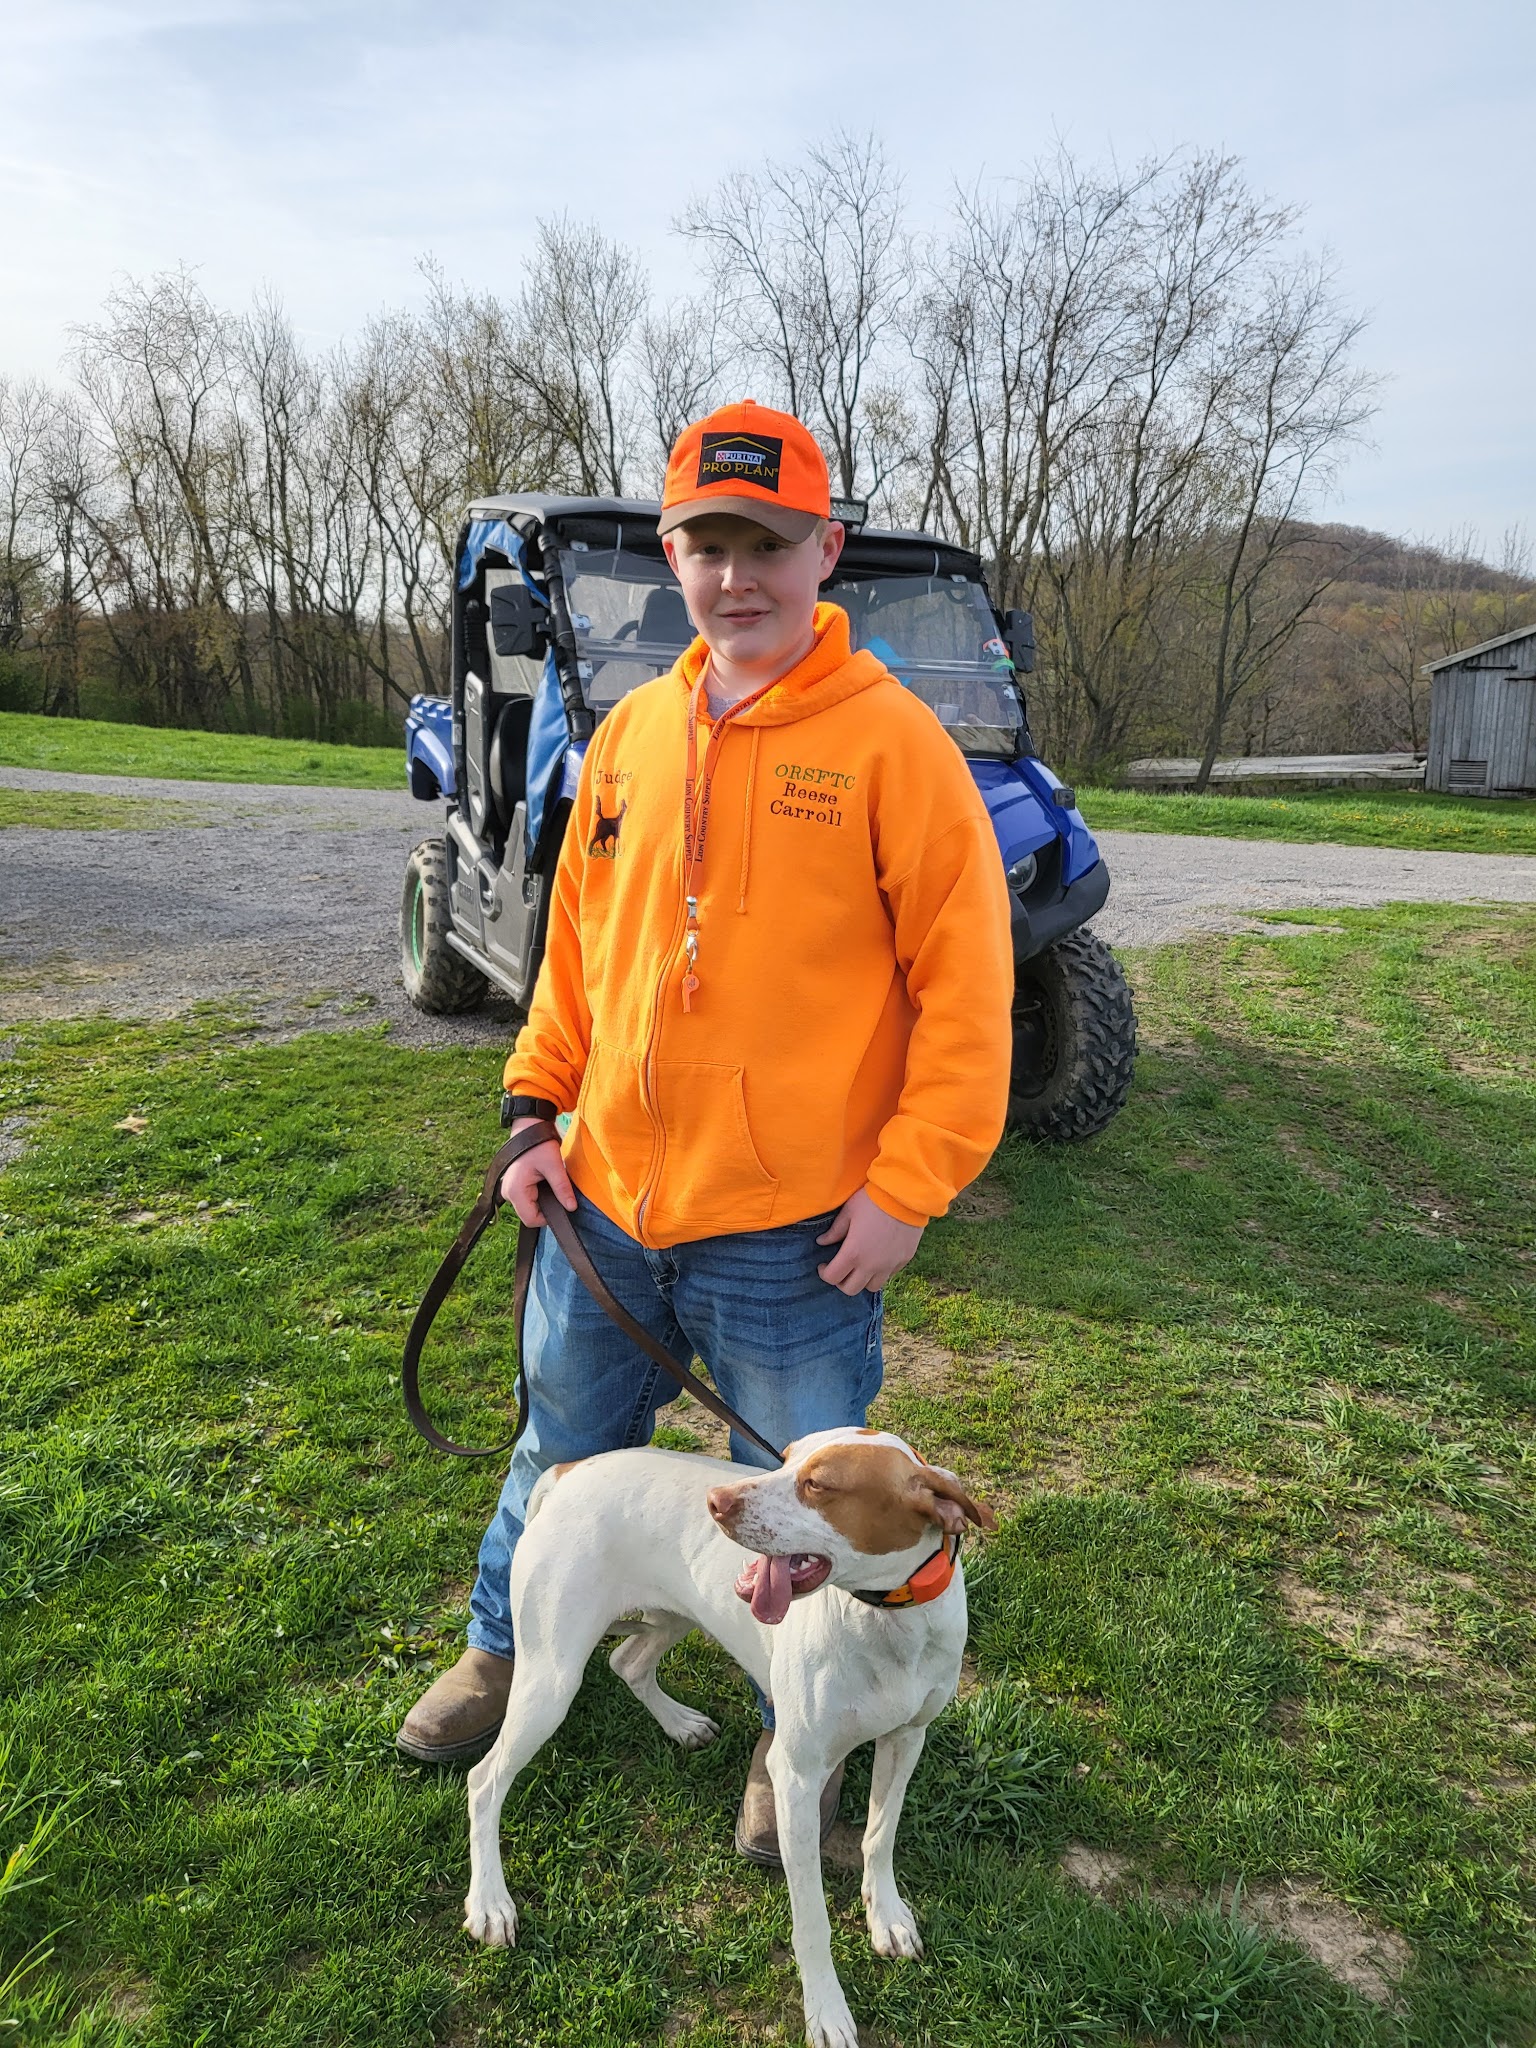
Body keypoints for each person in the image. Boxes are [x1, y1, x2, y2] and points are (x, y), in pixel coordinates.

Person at [397, 398, 1014, 1863]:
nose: (740, 575)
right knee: (561, 1451)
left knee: (805, 1505)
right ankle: (502, 1645)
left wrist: (909, 1186)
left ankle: (792, 1729)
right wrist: (534, 1110)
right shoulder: (629, 740)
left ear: (826, 549)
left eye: (770, 543)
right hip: (601, 1208)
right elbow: (575, 961)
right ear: (669, 554)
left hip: (793, 1240)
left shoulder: (897, 751)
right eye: (708, 543)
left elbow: (971, 994)